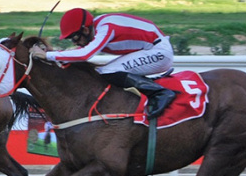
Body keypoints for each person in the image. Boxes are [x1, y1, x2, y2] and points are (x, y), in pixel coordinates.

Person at [37, 8, 176, 118]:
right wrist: (53, 53)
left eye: (75, 38)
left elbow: (85, 54)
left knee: (107, 71)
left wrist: (48, 55)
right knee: (107, 70)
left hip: (159, 53)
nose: (75, 42)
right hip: (152, 49)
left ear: (85, 30)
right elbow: (80, 51)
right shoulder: (97, 27)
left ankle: (161, 93)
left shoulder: (105, 28)